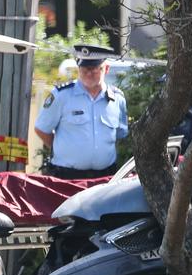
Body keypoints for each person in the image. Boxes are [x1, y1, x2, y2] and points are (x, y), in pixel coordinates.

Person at [34, 44, 128, 179]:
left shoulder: (117, 99)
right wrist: (61, 149)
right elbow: (41, 129)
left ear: (106, 68)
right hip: (68, 176)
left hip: (105, 177)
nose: (89, 73)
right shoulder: (62, 96)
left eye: (94, 69)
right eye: (84, 69)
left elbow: (121, 134)